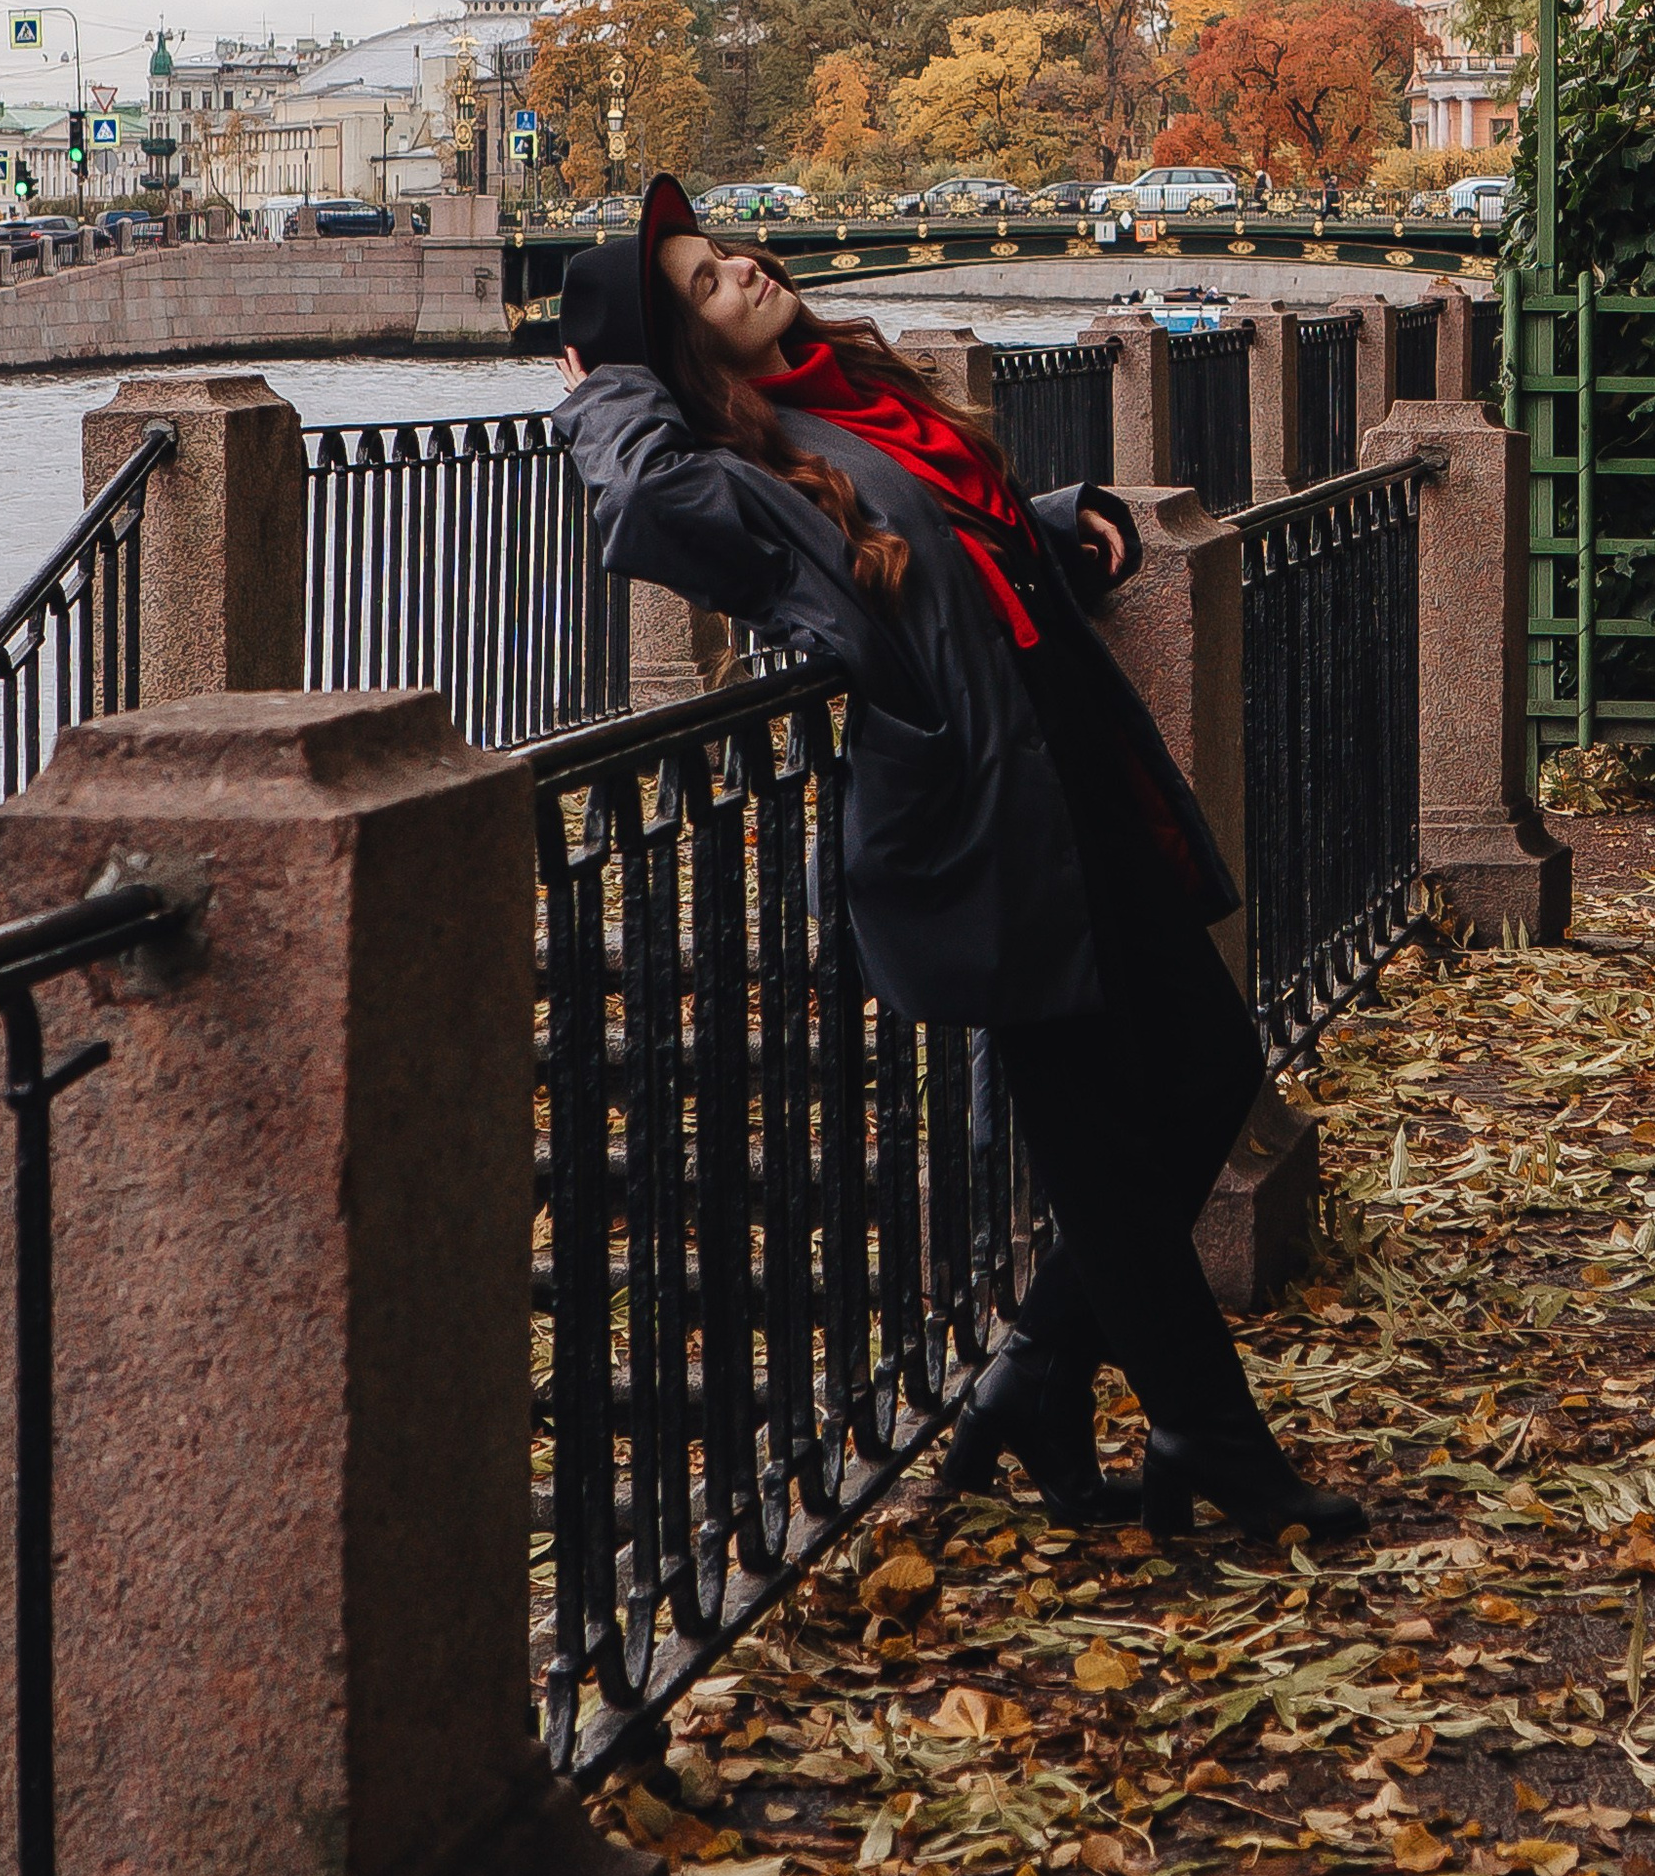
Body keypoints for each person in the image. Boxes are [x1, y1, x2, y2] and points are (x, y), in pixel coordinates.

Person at [547, 173, 1363, 1547]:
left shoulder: (854, 403)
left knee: (1210, 1076)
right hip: (990, 838)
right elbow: (643, 509)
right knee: (1109, 1151)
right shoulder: (749, 468)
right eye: (700, 286)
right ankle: (1213, 1441)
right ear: (682, 354)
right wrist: (606, 392)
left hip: (1073, 784)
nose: (740, 269)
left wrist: (1047, 527)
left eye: (724, 253)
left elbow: (929, 551)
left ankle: (1037, 1375)